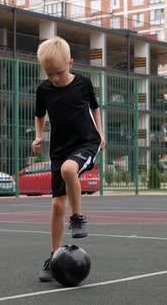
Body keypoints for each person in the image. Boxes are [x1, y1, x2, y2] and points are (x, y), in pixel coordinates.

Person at [33, 37, 105, 282]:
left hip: (86, 141)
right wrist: (38, 136)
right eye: (49, 73)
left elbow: (94, 108)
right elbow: (39, 114)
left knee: (68, 169)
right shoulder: (43, 90)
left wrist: (101, 133)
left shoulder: (84, 84)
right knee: (55, 206)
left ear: (71, 63)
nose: (54, 78)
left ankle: (78, 218)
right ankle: (54, 258)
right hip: (59, 148)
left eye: (59, 72)